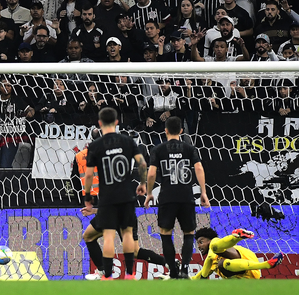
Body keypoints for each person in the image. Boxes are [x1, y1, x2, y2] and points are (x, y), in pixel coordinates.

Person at [82, 108, 148, 280]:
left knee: (109, 235)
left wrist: (87, 196)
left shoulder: (95, 146)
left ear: (99, 124)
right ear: (117, 122)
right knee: (127, 233)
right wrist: (142, 184)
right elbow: (142, 164)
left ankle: (108, 276)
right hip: (127, 195)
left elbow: (88, 174)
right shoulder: (127, 141)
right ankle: (130, 274)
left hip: (107, 197)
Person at [144, 116, 210, 279]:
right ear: (181, 131)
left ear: (165, 130)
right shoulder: (189, 148)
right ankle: (185, 270)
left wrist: (149, 193)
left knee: (165, 233)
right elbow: (199, 168)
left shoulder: (158, 149)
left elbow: (151, 173)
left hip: (167, 197)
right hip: (186, 197)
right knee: (188, 233)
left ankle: (173, 271)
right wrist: (203, 192)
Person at [192, 227, 284, 279]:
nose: (199, 246)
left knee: (216, 250)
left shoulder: (215, 243)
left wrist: (204, 276)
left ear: (209, 240)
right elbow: (195, 278)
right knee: (223, 265)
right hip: (247, 279)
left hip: (246, 258)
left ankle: (237, 236)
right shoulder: (211, 264)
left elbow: (210, 256)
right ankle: (238, 236)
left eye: (201, 242)